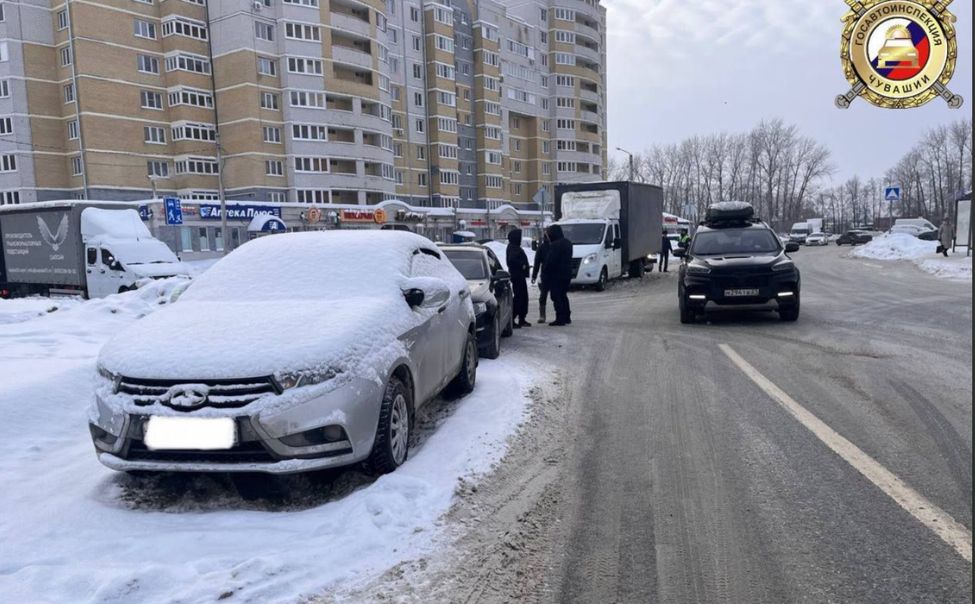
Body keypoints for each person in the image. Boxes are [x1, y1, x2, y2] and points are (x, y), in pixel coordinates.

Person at [543, 224, 573, 326]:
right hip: (567, 274)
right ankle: (567, 316)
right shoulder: (568, 243)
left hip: (556, 275)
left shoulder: (555, 245)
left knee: (556, 296)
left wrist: (546, 271)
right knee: (563, 295)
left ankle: (560, 318)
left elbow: (551, 261)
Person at [505, 229, 531, 328]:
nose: (520, 239)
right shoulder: (513, 248)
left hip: (519, 276)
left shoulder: (514, 247)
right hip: (517, 276)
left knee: (523, 297)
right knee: (519, 298)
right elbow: (512, 260)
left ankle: (522, 318)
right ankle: (513, 318)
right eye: (519, 237)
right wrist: (522, 265)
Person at [531, 231, 551, 324]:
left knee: (558, 296)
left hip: (556, 274)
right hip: (545, 275)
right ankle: (542, 315)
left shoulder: (556, 246)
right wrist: (534, 275)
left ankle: (562, 314)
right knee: (543, 295)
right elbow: (537, 262)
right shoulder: (542, 247)